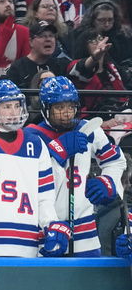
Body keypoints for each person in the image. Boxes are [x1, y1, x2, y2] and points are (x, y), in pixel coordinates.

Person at [0, 78, 71, 257]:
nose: (14, 112)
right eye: (6, 106)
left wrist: (51, 224)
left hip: (26, 245)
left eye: (17, 105)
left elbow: (44, 199)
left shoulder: (36, 145)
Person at [25, 76, 124, 256]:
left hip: (85, 231)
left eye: (71, 106)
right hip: (45, 230)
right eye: (59, 107)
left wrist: (108, 181)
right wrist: (57, 151)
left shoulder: (88, 129)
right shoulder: (30, 136)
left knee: (87, 283)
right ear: (46, 108)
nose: (66, 113)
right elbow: (26, 180)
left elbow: (116, 160)